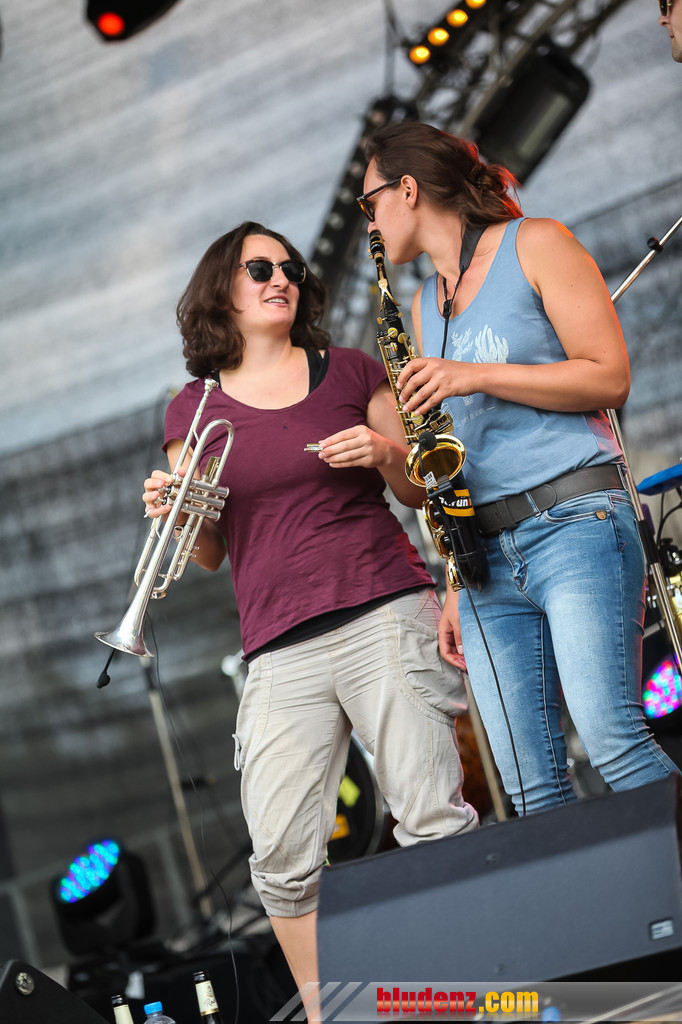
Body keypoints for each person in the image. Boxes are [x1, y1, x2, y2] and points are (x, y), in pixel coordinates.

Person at [142, 221, 478, 1014]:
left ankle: (468, 995)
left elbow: (418, 490)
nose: (280, 279)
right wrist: (174, 512)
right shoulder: (193, 407)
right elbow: (208, 553)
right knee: (281, 861)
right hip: (278, 648)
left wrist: (385, 453)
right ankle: (333, 1010)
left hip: (384, 610)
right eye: (260, 268)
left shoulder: (352, 369)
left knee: (432, 819)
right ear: (221, 288)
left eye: (290, 268)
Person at [358, 121, 679, 819]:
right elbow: (456, 454)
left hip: (576, 523)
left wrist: (472, 374)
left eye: (370, 202)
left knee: (615, 743)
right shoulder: (421, 304)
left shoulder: (537, 243)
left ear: (407, 189)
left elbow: (609, 377)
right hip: (483, 561)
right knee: (531, 792)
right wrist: (454, 574)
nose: (370, 224)